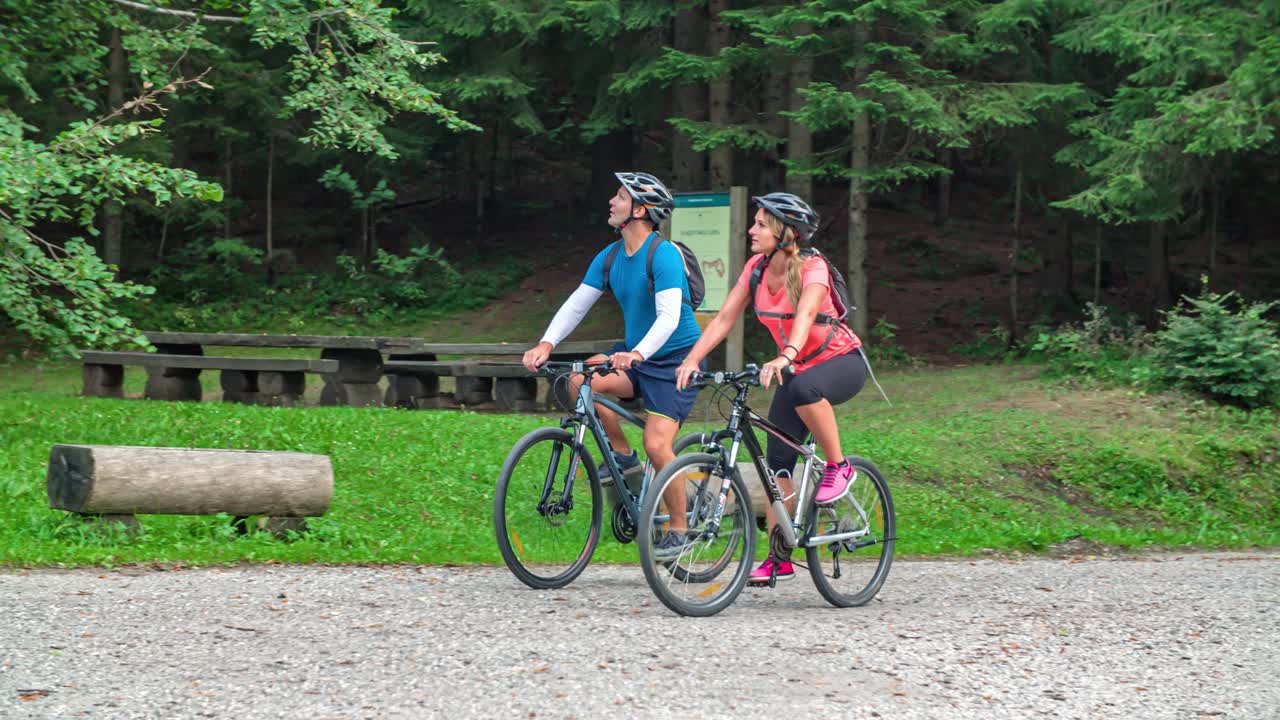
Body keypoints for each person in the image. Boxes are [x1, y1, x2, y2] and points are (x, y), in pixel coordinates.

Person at [675, 192, 867, 585]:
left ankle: (838, 466)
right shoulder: (757, 269)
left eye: (761, 224)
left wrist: (786, 355)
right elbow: (725, 318)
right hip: (796, 370)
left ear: (787, 232)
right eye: (755, 222)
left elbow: (808, 312)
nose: (752, 229)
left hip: (841, 363)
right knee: (777, 466)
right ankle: (780, 555)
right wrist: (693, 359)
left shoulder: (813, 268)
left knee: (802, 389)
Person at [522, 171, 705, 559]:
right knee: (579, 380)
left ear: (640, 210)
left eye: (620, 196)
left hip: (675, 362)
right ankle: (624, 461)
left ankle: (680, 527)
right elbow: (577, 303)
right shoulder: (609, 257)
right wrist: (546, 342)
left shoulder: (664, 254)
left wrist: (638, 354)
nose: (611, 201)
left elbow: (669, 317)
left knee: (658, 443)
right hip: (637, 355)